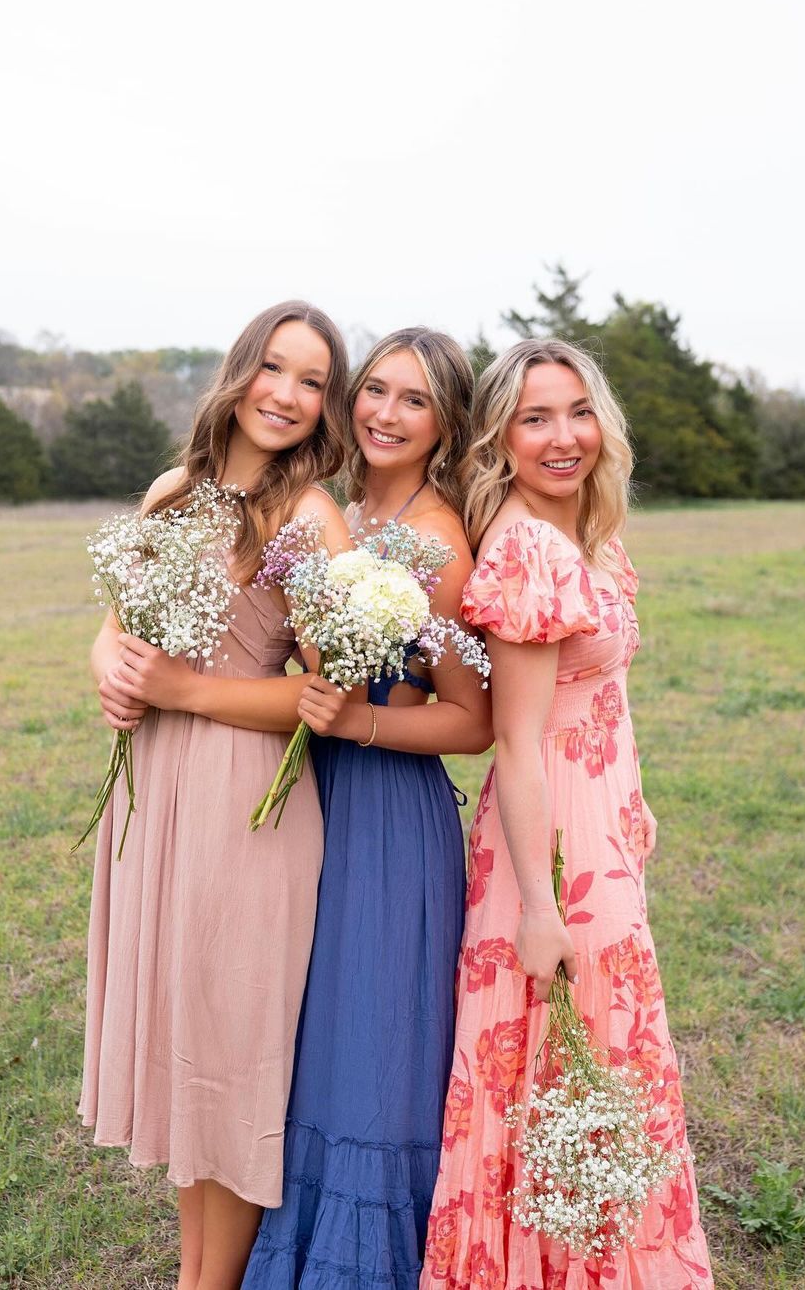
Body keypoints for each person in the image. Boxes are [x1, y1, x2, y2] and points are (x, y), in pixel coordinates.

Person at [421, 339, 713, 1288]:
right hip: (549, 850)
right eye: (536, 418)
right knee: (557, 1071)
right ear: (500, 436)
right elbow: (516, 742)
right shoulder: (527, 550)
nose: (563, 437)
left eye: (579, 412)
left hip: (602, 827)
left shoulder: (584, 530)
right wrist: (541, 911)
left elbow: (604, 694)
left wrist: (637, 794)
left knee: (600, 1067)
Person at [78, 300, 353, 1290]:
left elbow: (325, 695)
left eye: (313, 381)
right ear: (241, 373)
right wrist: (110, 671)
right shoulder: (172, 490)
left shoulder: (309, 517)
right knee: (183, 1042)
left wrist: (183, 690)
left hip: (247, 805)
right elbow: (115, 627)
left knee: (230, 1055)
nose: (287, 394)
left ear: (326, 405)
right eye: (275, 368)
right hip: (154, 793)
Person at [242, 329, 493, 1288]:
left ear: (446, 425)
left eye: (414, 400)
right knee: (310, 1037)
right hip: (317, 795)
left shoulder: (438, 542)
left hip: (388, 818)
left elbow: (474, 720)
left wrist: (360, 721)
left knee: (369, 1044)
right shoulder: (338, 511)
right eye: (376, 390)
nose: (386, 413)